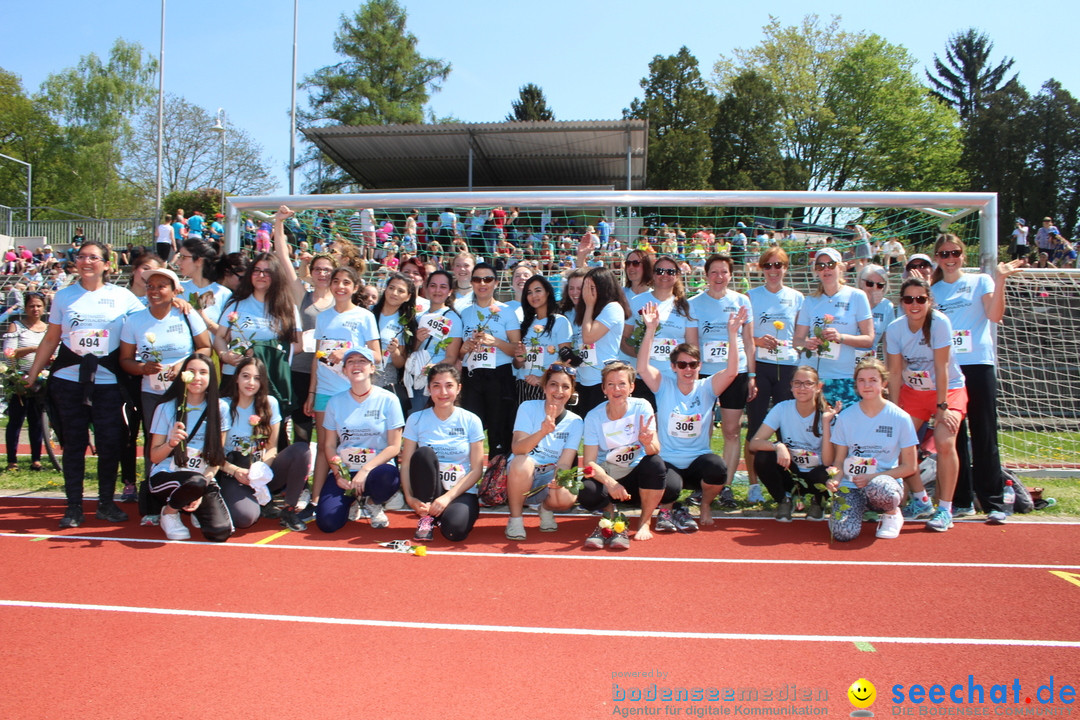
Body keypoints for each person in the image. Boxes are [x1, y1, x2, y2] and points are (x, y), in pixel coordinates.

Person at [26, 241, 144, 529]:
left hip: (108, 384)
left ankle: (105, 503)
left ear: (106, 264)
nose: (86, 261)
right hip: (68, 382)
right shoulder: (64, 297)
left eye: (94, 257)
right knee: (74, 445)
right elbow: (52, 338)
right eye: (81, 257)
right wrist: (33, 374)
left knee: (110, 444)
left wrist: (176, 303)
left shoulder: (123, 297)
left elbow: (147, 321)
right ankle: (74, 507)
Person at [930, 233, 1025, 523]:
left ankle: (993, 502)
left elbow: (995, 315)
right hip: (948, 371)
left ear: (963, 255)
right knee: (952, 436)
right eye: (944, 254)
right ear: (937, 258)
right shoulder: (933, 290)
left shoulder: (980, 281)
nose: (950, 259)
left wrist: (1000, 278)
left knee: (985, 434)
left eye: (954, 252)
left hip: (979, 364)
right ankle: (961, 501)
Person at [638, 303, 743, 528]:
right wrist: (650, 329)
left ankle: (705, 505)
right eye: (682, 364)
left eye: (693, 364)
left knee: (718, 469)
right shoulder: (663, 385)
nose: (688, 369)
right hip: (669, 460)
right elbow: (643, 368)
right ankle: (667, 510)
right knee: (672, 488)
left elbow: (733, 371)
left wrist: (733, 334)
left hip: (698, 460)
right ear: (673, 366)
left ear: (699, 366)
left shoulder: (707, 387)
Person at [119, 267, 212, 509]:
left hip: (187, 391)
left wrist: (183, 365)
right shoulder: (135, 320)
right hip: (153, 394)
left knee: (188, 440)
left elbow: (205, 347)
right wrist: (142, 368)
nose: (154, 291)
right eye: (150, 286)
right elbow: (125, 360)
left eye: (161, 286)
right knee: (156, 445)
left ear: (173, 290)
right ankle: (153, 502)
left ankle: (190, 491)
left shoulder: (186, 313)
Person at [885, 278, 968, 532]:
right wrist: (893, 409)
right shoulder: (895, 329)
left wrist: (942, 406)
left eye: (920, 299)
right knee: (899, 443)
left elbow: (942, 367)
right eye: (909, 299)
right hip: (914, 390)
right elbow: (896, 372)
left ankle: (945, 509)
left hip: (948, 388)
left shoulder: (940, 322)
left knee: (944, 441)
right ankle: (921, 500)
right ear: (902, 303)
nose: (914, 304)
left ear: (929, 301)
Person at [304, 265, 380, 517]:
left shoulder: (364, 316)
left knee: (354, 445)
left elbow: (376, 356)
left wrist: (348, 353)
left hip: (351, 392)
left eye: (346, 282)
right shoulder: (323, 316)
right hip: (325, 392)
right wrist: (312, 393)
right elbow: (318, 357)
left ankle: (359, 495)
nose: (340, 287)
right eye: (336, 281)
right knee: (326, 446)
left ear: (355, 287)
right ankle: (314, 501)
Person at [827, 358, 919, 541]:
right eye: (861, 380)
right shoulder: (845, 417)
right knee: (843, 533)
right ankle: (860, 508)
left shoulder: (900, 418)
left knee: (880, 487)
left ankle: (891, 513)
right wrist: (835, 480)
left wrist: (871, 477)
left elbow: (910, 467)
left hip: (883, 484)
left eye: (873, 380)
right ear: (856, 385)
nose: (867, 385)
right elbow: (839, 461)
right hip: (851, 485)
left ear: (884, 383)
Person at [689, 254, 757, 500]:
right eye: (714, 272)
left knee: (731, 430)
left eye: (724, 272)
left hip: (735, 372)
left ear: (731, 275)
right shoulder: (694, 303)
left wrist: (751, 375)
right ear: (706, 276)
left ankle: (725, 485)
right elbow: (692, 342)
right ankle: (704, 483)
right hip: (705, 374)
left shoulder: (742, 301)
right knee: (702, 428)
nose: (719, 277)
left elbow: (749, 343)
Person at [578, 361, 668, 546]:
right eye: (610, 384)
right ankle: (610, 512)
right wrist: (611, 484)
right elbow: (589, 463)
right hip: (609, 473)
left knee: (658, 466)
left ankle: (644, 521)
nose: (616, 389)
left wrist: (647, 441)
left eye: (622, 384)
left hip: (637, 473)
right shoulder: (594, 416)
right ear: (603, 388)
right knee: (586, 491)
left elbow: (655, 450)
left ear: (631, 387)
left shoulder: (642, 407)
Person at [314, 348, 403, 533]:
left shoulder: (389, 400)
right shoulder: (335, 402)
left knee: (390, 476)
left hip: (376, 471)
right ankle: (353, 498)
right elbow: (329, 445)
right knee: (327, 524)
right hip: (346, 471)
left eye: (362, 361)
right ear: (345, 370)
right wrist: (339, 474)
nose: (356, 365)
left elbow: (394, 446)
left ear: (372, 368)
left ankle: (373, 502)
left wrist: (365, 470)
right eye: (351, 361)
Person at [218, 357, 312, 532]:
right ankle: (251, 501)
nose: (251, 382)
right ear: (236, 377)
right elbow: (214, 453)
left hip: (261, 471)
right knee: (245, 518)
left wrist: (260, 471)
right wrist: (237, 471)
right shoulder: (223, 406)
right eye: (246, 376)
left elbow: (271, 448)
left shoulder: (270, 404)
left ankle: (289, 510)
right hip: (235, 473)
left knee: (301, 450)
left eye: (257, 378)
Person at [146, 354, 232, 541]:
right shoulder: (166, 407)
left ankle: (192, 503)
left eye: (203, 372)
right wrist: (171, 443)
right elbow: (154, 457)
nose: (197, 377)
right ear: (183, 375)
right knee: (193, 481)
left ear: (211, 378)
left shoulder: (221, 408)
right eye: (191, 372)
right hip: (168, 473)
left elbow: (216, 459)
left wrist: (199, 490)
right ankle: (169, 513)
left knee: (220, 532)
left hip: (201, 477)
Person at [401, 364, 485, 542]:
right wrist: (410, 498)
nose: (443, 392)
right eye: (436, 386)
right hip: (428, 490)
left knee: (454, 532)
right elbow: (407, 463)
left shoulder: (471, 420)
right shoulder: (416, 419)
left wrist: (447, 498)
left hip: (460, 490)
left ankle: (444, 513)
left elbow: (477, 469)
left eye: (449, 385)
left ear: (458, 388)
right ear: (429, 389)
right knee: (423, 454)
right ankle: (427, 518)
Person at [745, 247, 804, 501]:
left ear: (785, 268)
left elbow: (800, 337)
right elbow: (743, 335)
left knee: (787, 429)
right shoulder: (750, 297)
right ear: (761, 268)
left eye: (778, 265)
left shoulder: (797, 298)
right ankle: (753, 485)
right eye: (767, 265)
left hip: (788, 366)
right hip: (760, 365)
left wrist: (796, 346)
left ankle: (788, 485)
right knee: (755, 426)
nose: (773, 270)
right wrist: (758, 340)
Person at [273, 205, 334, 446]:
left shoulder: (341, 302)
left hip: (329, 374)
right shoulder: (302, 295)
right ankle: (291, 478)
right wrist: (279, 223)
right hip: (299, 370)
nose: (322, 274)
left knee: (330, 433)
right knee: (298, 432)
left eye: (327, 270)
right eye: (317, 269)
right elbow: (283, 258)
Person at [503, 363, 584, 539]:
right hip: (523, 473)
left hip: (548, 475)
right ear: (545, 387)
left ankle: (546, 509)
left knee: (566, 497)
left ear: (571, 392)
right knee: (521, 463)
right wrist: (542, 432)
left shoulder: (576, 422)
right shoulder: (528, 407)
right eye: (553, 384)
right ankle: (515, 519)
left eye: (565, 387)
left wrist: (558, 478)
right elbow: (518, 449)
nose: (559, 391)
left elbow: (564, 462)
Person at [747, 366, 838, 522]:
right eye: (797, 383)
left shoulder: (827, 415)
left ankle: (819, 502)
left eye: (808, 383)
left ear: (818, 387)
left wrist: (826, 423)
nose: (802, 388)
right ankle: (784, 500)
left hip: (817, 475)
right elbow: (754, 444)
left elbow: (830, 462)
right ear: (791, 386)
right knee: (762, 456)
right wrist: (778, 446)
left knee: (828, 471)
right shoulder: (782, 408)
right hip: (791, 473)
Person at [792, 247, 874, 407]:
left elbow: (869, 339)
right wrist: (806, 344)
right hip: (812, 379)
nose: (826, 269)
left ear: (841, 267)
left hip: (844, 377)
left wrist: (841, 337)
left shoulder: (857, 296)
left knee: (845, 430)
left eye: (830, 264)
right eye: (820, 266)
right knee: (812, 430)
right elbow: (797, 341)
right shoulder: (810, 301)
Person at [214, 254, 301, 405]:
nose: (261, 275)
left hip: (270, 379)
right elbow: (220, 337)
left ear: (276, 276)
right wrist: (224, 355)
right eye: (257, 270)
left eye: (267, 272)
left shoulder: (288, 308)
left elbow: (298, 345)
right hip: (234, 377)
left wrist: (259, 351)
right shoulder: (236, 304)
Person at [458, 263, 520, 457]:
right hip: (472, 376)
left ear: (496, 283)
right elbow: (459, 353)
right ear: (471, 283)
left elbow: (517, 351)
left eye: (487, 279)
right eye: (477, 279)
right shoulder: (465, 313)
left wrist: (496, 342)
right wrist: (464, 349)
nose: (482, 283)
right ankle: (469, 479)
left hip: (499, 376)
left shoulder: (507, 311)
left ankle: (497, 482)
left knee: (499, 432)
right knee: (470, 431)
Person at [622, 255, 697, 409]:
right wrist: (642, 354)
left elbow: (692, 346)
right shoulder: (636, 301)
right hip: (643, 376)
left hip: (674, 377)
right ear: (653, 274)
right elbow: (624, 339)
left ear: (677, 276)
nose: (665, 275)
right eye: (660, 271)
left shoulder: (686, 307)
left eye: (670, 272)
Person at [573, 267, 631, 417]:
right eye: (585, 288)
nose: (587, 293)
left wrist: (589, 305)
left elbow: (589, 337)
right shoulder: (588, 311)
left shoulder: (613, 308)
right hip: (584, 379)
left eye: (592, 288)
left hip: (601, 380)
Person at [407, 270, 463, 412]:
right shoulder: (419, 316)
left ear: (450, 291)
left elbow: (451, 357)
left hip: (437, 381)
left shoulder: (453, 319)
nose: (437, 290)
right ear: (426, 289)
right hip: (415, 377)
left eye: (443, 287)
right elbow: (410, 351)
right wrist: (418, 340)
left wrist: (433, 368)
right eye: (433, 285)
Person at [4, 292, 48, 472]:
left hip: (42, 380)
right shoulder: (17, 327)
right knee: (16, 420)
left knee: (37, 420)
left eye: (38, 306)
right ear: (25, 307)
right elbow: (9, 353)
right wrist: (35, 349)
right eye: (31, 306)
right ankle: (12, 460)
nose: (35, 309)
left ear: (44, 307)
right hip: (19, 381)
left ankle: (36, 459)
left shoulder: (49, 328)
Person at [512, 275, 572, 404]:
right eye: (529, 292)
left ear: (548, 292)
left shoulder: (560, 321)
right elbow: (517, 364)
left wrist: (542, 379)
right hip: (522, 385)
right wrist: (519, 360)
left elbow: (566, 360)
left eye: (538, 290)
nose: (534, 295)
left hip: (547, 388)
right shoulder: (525, 324)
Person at [371, 271, 418, 413]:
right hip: (363, 373)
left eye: (400, 291)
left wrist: (395, 352)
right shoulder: (368, 313)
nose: (394, 293)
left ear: (408, 297)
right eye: (391, 288)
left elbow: (400, 363)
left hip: (386, 377)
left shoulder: (406, 324)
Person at [176, 237, 233, 341]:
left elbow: (228, 336)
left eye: (183, 257)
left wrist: (200, 314)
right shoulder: (177, 288)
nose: (178, 262)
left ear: (199, 261)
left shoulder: (223, 293)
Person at [857, 264, 895, 358]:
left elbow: (888, 341)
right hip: (846, 357)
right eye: (869, 283)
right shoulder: (851, 300)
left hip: (868, 359)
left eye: (879, 285)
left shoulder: (887, 306)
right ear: (861, 283)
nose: (874, 288)